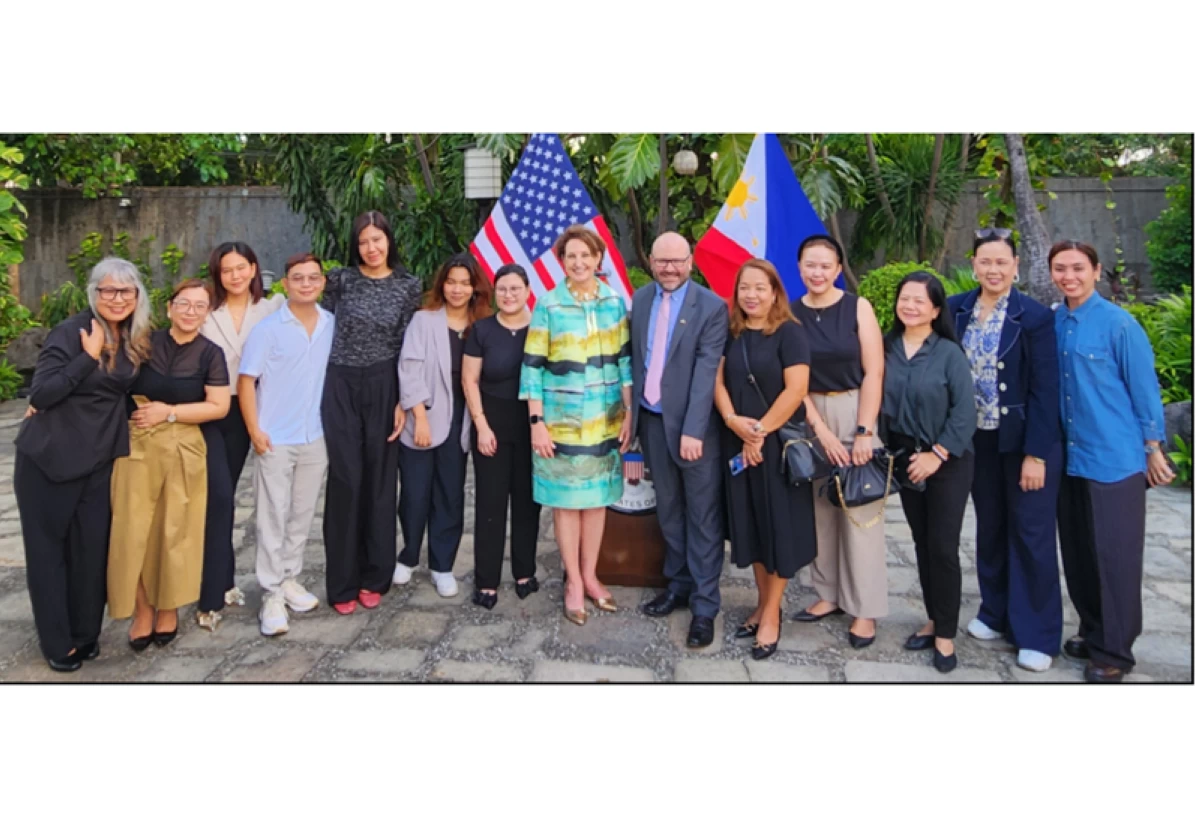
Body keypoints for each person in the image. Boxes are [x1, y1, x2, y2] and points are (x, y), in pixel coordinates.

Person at [14, 258, 152, 672]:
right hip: (49, 460)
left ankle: (85, 633)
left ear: (136, 296)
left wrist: (157, 409)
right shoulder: (72, 333)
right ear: (94, 293)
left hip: (96, 461)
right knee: (48, 556)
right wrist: (86, 357)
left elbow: (114, 390)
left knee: (91, 552)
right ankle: (58, 643)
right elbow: (41, 394)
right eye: (107, 290)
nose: (116, 298)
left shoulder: (132, 336)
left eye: (125, 291)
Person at [1050, 240, 1174, 683]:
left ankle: (1115, 651)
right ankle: (1093, 628)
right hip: (1070, 459)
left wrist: (1152, 448)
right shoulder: (1055, 322)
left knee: (1115, 557)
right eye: (1061, 268)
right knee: (1080, 553)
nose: (1069, 276)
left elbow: (1145, 389)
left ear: (1096, 271)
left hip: (1114, 459)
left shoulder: (1119, 325)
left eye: (1078, 268)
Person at [949, 228, 1063, 673]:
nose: (993, 269)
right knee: (990, 527)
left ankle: (1037, 634)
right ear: (973, 264)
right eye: (985, 261)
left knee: (1031, 534)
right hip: (977, 440)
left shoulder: (1034, 317)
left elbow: (1045, 391)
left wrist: (1036, 454)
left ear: (1015, 267)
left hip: (1023, 443)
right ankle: (994, 612)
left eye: (1001, 262)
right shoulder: (957, 309)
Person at [108, 278, 231, 651]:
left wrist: (170, 413)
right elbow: (112, 384)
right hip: (137, 447)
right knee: (134, 529)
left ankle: (168, 608)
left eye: (199, 306)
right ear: (169, 307)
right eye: (184, 303)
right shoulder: (144, 343)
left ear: (207, 313)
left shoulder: (211, 354)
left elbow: (219, 406)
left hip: (184, 448)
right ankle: (142, 609)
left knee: (175, 530)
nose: (191, 311)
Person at [519, 225, 633, 626]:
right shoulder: (548, 305)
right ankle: (572, 582)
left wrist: (629, 411)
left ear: (599, 258)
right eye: (572, 256)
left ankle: (591, 576)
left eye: (586, 255)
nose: (580, 262)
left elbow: (624, 361)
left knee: (596, 500)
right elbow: (531, 368)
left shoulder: (615, 302)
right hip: (561, 423)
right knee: (567, 503)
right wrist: (537, 422)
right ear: (562, 261)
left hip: (604, 420)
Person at [788, 235, 887, 649]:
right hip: (809, 413)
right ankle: (827, 593)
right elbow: (791, 378)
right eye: (810, 265)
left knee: (860, 511)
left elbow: (874, 372)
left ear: (838, 267)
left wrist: (863, 431)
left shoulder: (857, 308)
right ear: (799, 266)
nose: (817, 273)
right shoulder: (790, 313)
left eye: (825, 265)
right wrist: (820, 431)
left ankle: (865, 607)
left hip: (854, 409)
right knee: (820, 511)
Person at [713, 259, 815, 661]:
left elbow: (796, 390)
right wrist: (732, 420)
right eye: (744, 288)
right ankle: (760, 602)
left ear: (774, 292)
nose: (751, 295)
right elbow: (718, 382)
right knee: (752, 529)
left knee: (779, 531)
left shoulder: (790, 334)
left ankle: (772, 613)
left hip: (775, 448)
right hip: (737, 442)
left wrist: (759, 433)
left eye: (760, 288)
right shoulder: (732, 332)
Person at [630, 232, 728, 649]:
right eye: (662, 261)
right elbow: (635, 361)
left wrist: (692, 428)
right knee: (668, 510)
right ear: (650, 260)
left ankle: (705, 607)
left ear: (691, 261)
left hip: (695, 430)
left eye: (678, 261)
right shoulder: (640, 300)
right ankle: (679, 585)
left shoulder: (711, 306)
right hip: (651, 422)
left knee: (702, 517)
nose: (669, 269)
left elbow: (707, 372)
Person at [322, 211, 422, 615]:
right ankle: (342, 580)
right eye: (364, 241)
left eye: (378, 240)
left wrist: (402, 400)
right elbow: (321, 330)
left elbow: (408, 346)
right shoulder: (340, 281)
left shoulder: (408, 286)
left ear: (389, 241)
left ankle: (375, 575)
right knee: (346, 480)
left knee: (381, 481)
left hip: (385, 385)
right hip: (340, 384)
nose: (371, 248)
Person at [880, 271, 976, 673]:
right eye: (905, 298)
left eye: (920, 301)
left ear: (936, 310)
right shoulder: (885, 348)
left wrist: (936, 455)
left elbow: (966, 412)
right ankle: (934, 616)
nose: (910, 306)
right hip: (906, 458)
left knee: (942, 546)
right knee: (922, 544)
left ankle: (946, 635)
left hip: (946, 461)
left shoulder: (949, 353)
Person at [238, 253, 334, 636]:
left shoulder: (331, 323)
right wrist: (254, 430)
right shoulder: (268, 329)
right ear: (286, 284)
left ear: (323, 282)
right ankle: (271, 592)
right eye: (298, 278)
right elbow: (247, 381)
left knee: (301, 513)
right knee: (271, 515)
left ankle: (290, 577)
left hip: (315, 436)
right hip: (275, 437)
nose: (306, 284)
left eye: (313, 277)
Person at [196, 240, 284, 630]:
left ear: (253, 269)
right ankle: (213, 588)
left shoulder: (273, 308)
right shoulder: (204, 310)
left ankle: (266, 582)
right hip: (216, 411)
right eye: (226, 269)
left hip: (264, 409)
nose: (234, 275)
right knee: (219, 496)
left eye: (241, 268)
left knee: (270, 498)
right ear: (217, 273)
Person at [396, 253, 490, 597]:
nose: (457, 289)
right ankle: (407, 556)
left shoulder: (481, 325)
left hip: (460, 423)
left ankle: (442, 565)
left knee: (449, 495)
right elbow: (409, 369)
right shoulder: (424, 321)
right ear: (442, 285)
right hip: (424, 419)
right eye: (451, 281)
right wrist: (418, 416)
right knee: (414, 494)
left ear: (474, 288)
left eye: (465, 283)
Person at [463, 263, 542, 609]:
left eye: (515, 289)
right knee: (491, 503)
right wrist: (481, 425)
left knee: (528, 502)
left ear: (527, 291)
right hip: (491, 426)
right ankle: (487, 580)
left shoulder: (541, 329)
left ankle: (525, 571)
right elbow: (470, 381)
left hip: (532, 428)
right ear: (495, 293)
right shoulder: (481, 330)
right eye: (503, 289)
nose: (509, 295)